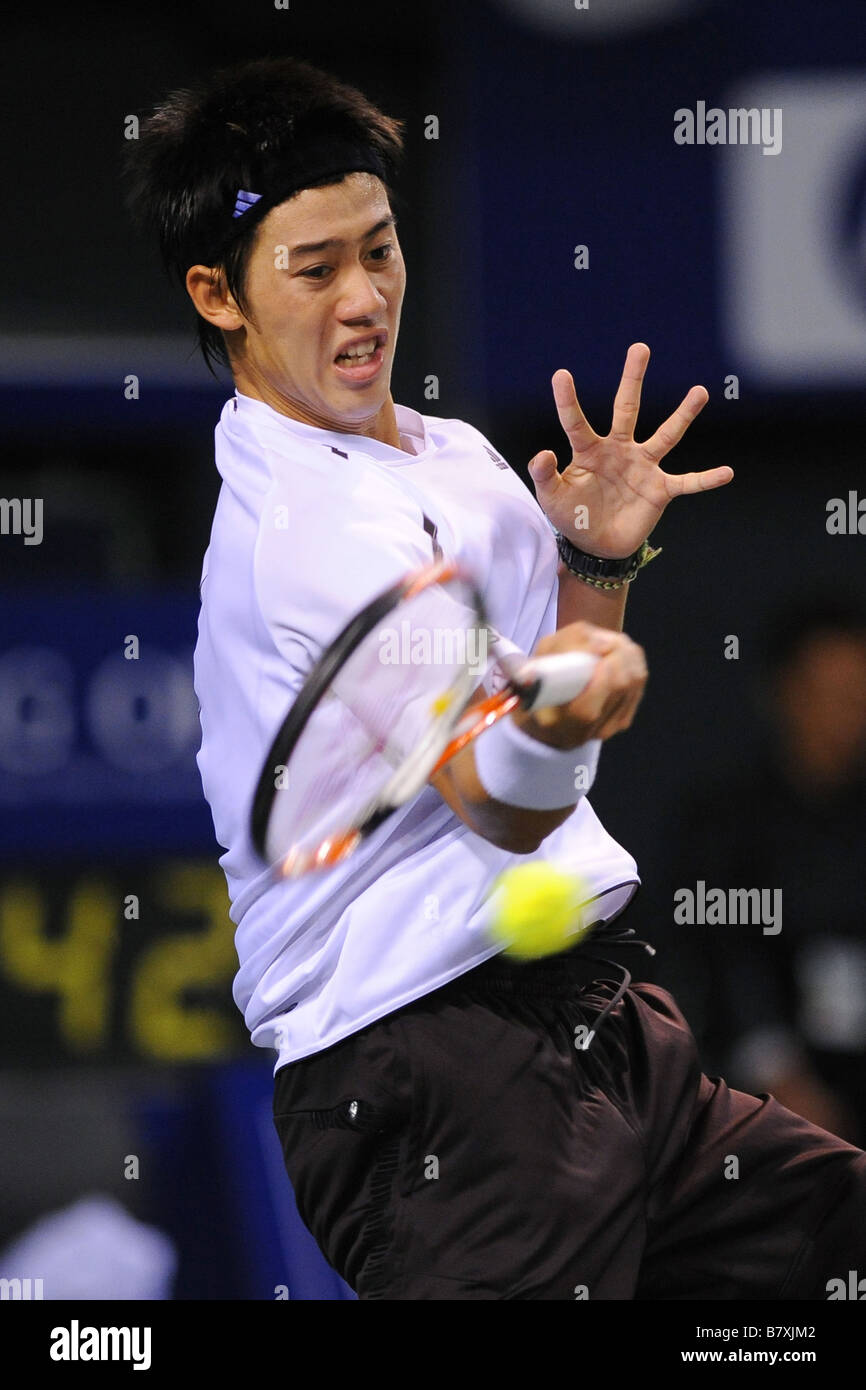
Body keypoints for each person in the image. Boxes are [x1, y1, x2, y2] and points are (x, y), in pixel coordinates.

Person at [126, 55, 866, 1299]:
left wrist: (592, 561)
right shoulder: (306, 539)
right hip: (437, 1091)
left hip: (601, 1026)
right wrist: (573, 687)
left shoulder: (449, 454)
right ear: (219, 295)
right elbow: (509, 791)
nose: (364, 298)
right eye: (314, 269)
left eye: (379, 247)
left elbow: (547, 740)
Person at [649, 595, 866, 1148]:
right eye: (832, 694)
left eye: (859, 694)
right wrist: (775, 1073)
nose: (850, 712)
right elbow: (715, 960)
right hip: (762, 1108)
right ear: (785, 693)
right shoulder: (727, 824)